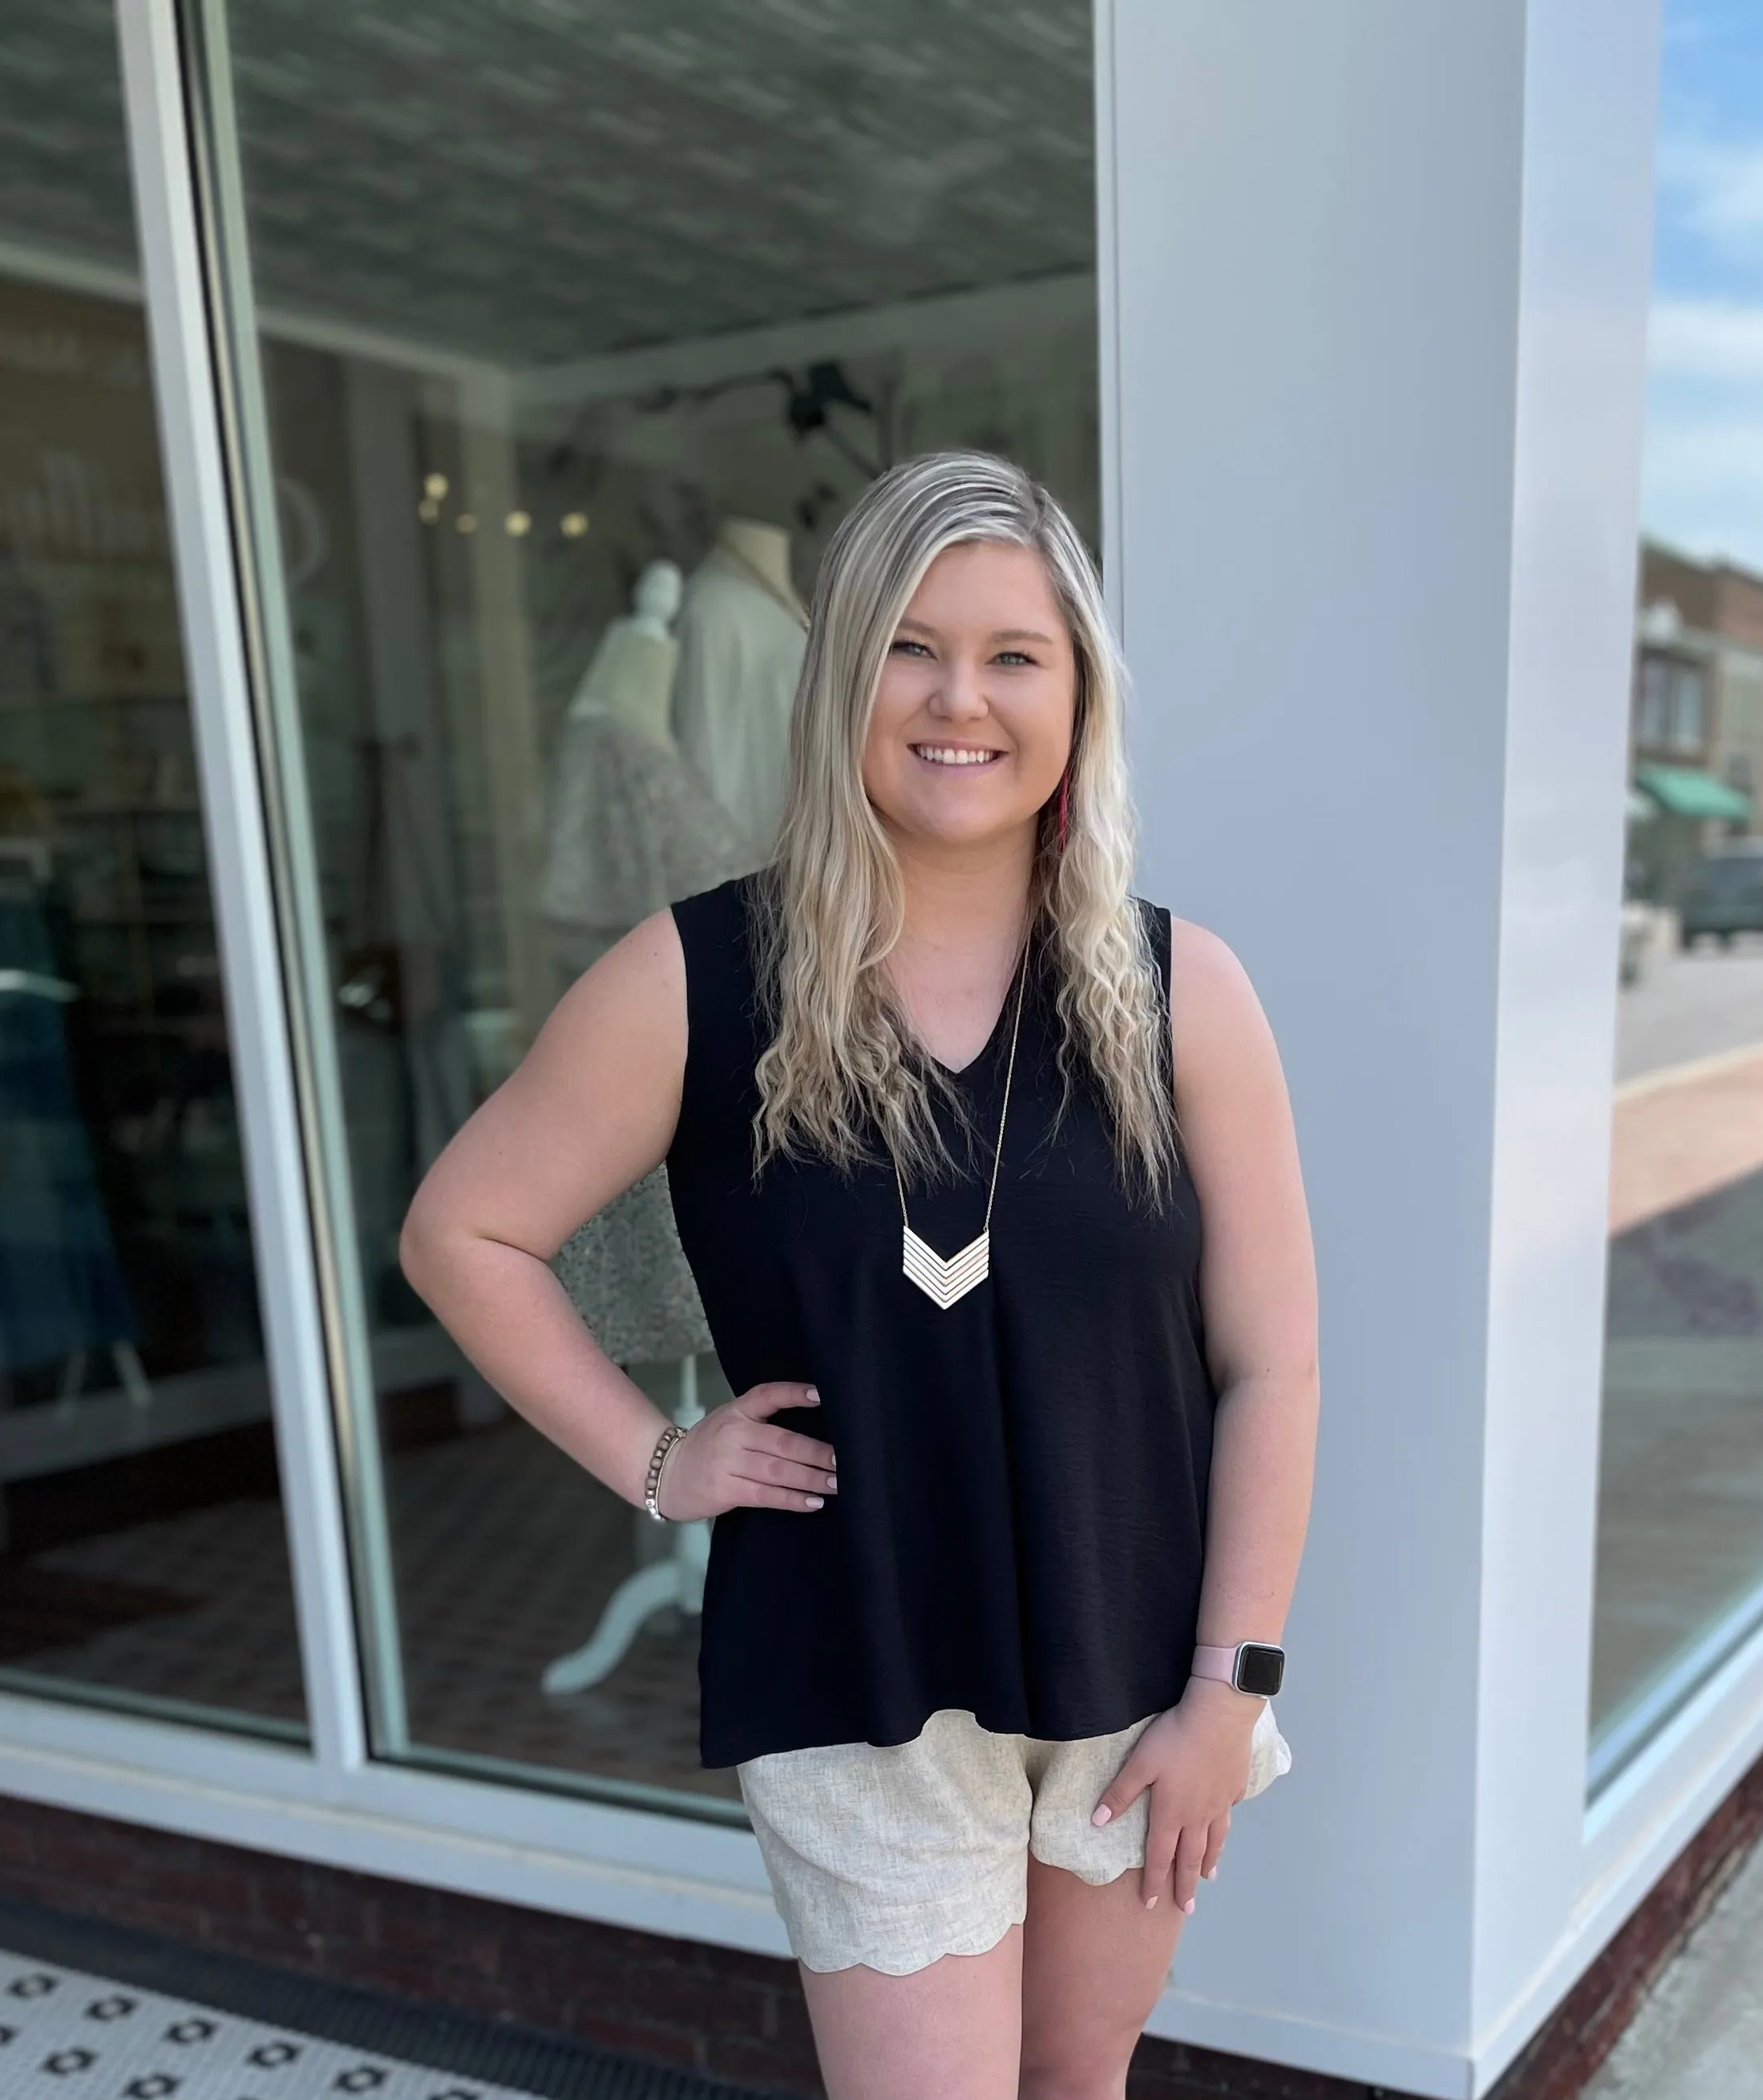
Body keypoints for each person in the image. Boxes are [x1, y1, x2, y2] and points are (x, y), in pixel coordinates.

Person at [399, 449, 1320, 2100]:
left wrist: (1228, 1693)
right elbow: (464, 1229)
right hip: (856, 1670)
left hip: (1143, 1678)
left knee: (1076, 2087)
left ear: (1078, 693)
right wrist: (658, 1457)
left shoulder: (1189, 993)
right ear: (841, 678)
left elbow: (1274, 1363)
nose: (959, 696)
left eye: (1012, 654)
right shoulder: (698, 977)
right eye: (910, 642)